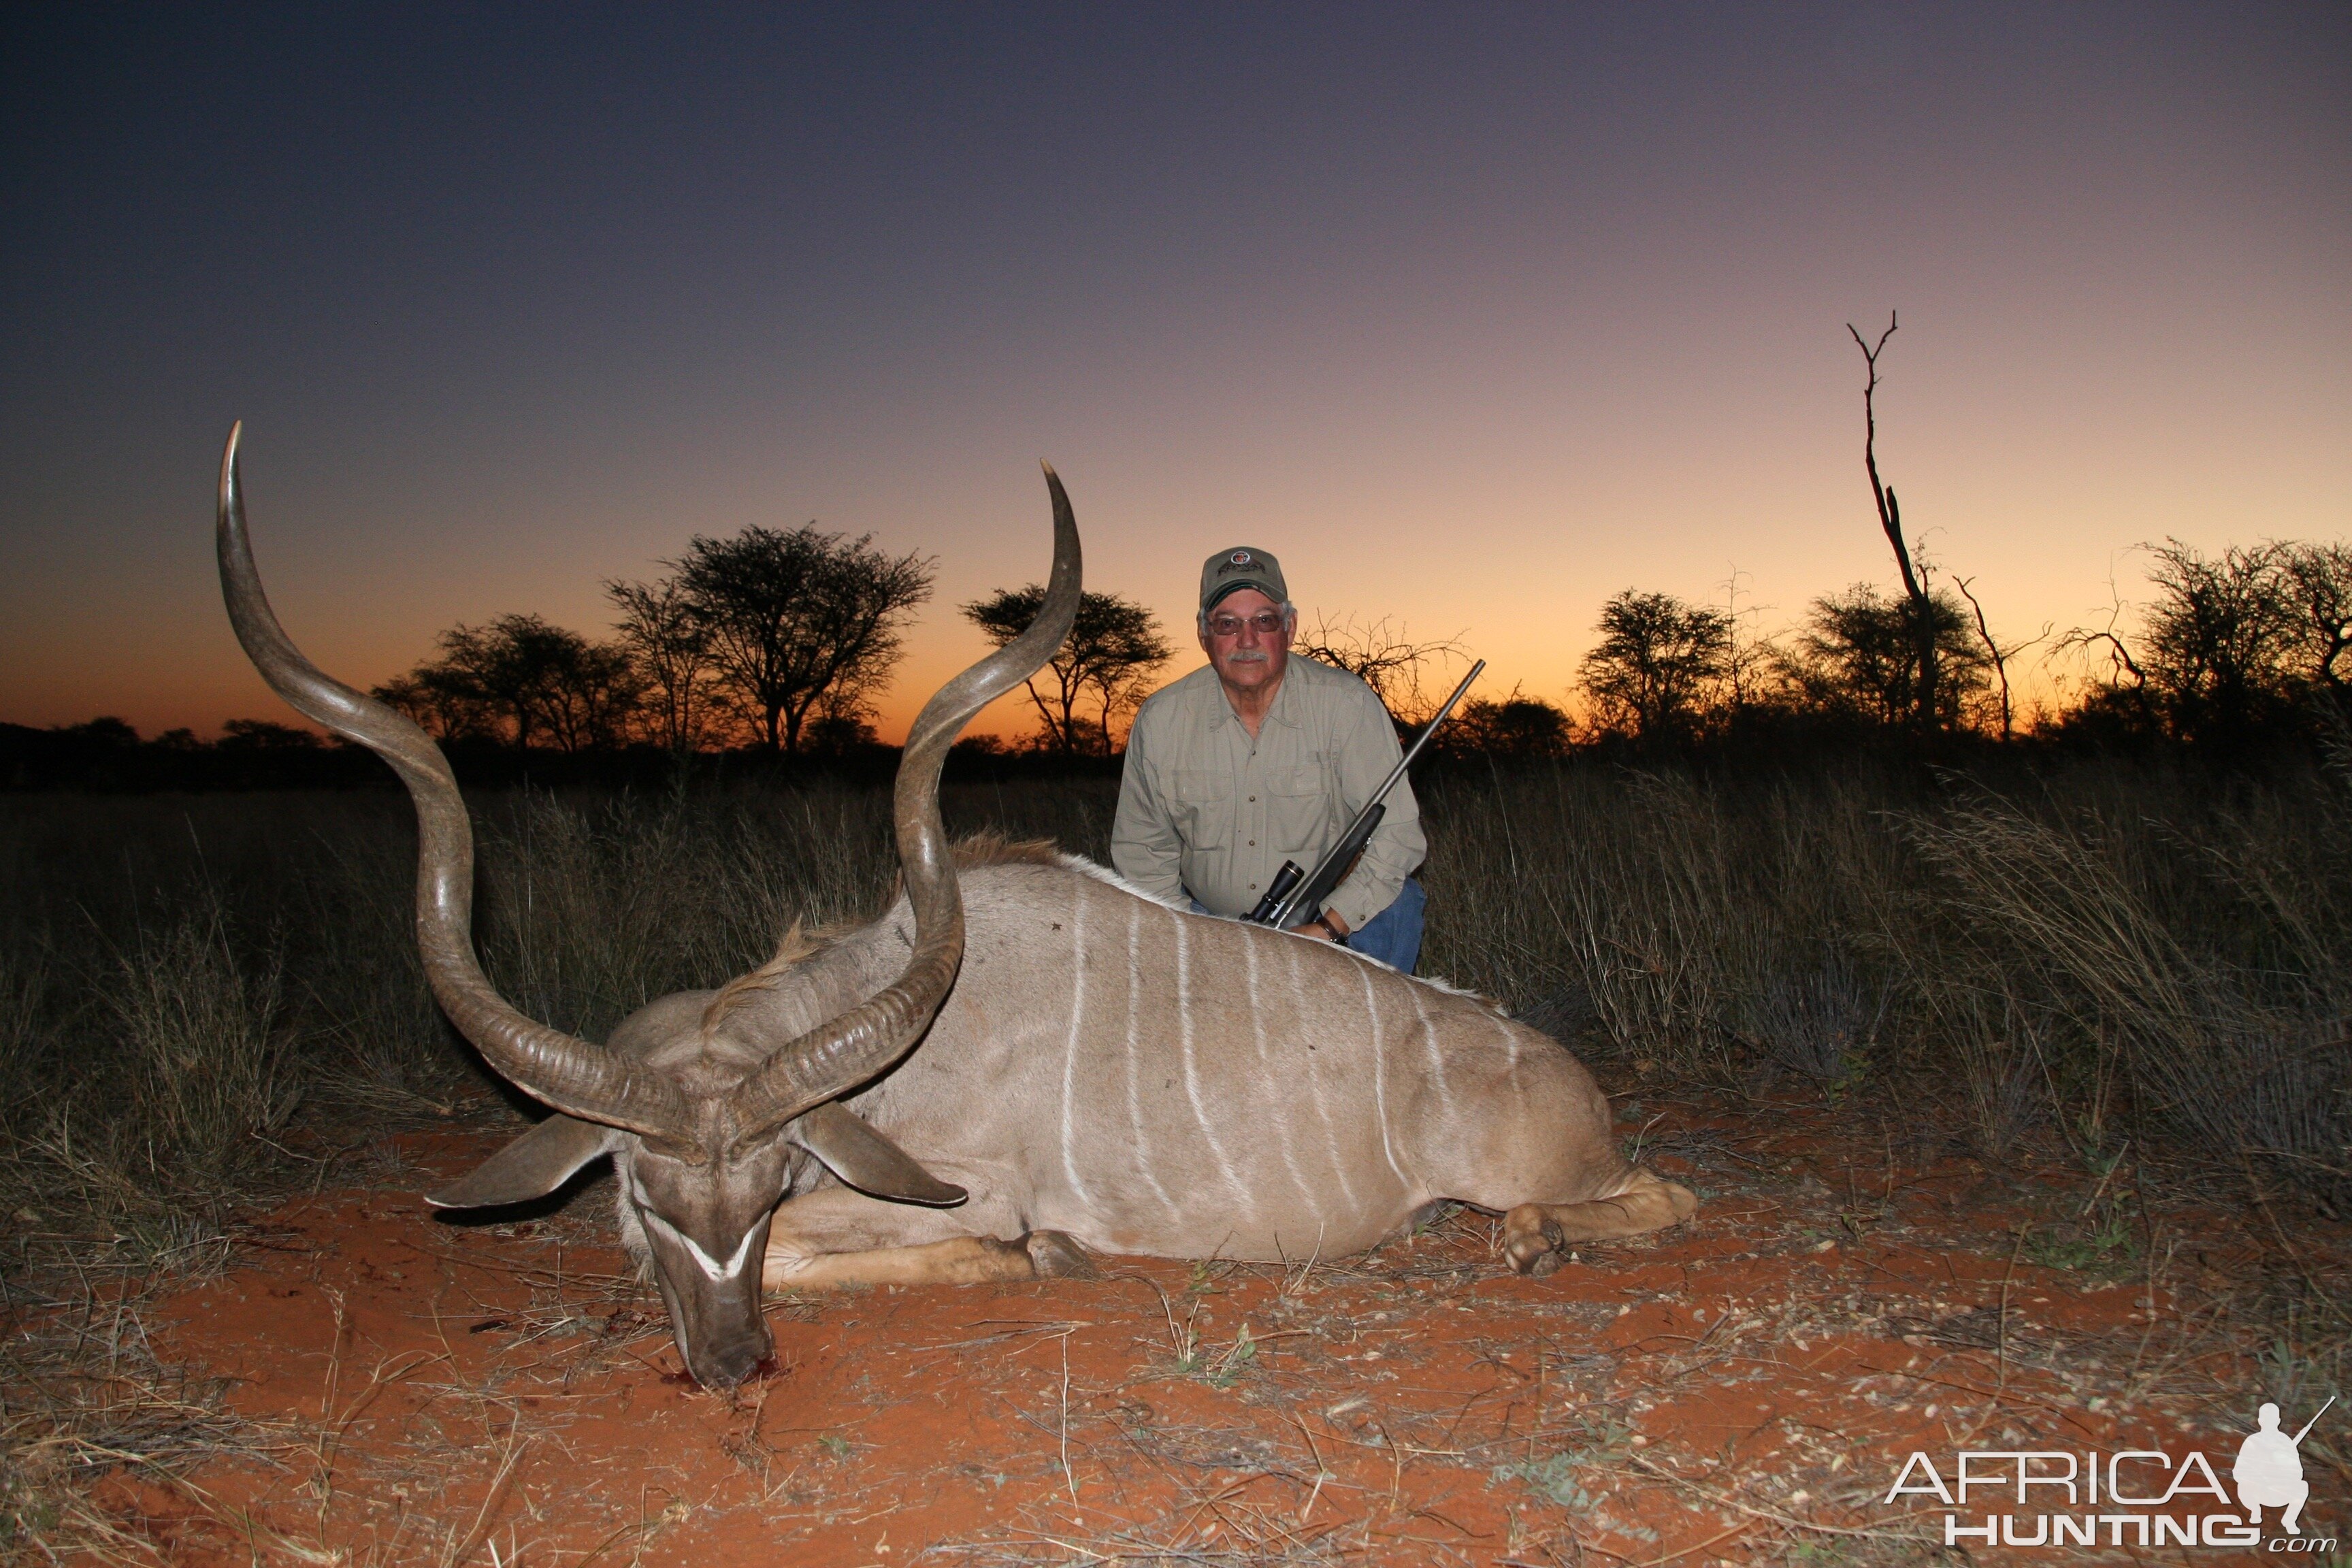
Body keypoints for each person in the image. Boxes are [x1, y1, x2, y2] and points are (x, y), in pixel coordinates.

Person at [1112, 546, 1428, 970]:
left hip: (1323, 919)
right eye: (1228, 624)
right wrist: (1193, 939)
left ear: (1290, 626)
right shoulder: (1161, 719)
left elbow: (1398, 835)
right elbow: (1143, 854)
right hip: (1212, 924)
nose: (1247, 640)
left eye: (1264, 621)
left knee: (1397, 901)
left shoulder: (1346, 704)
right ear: (1204, 634)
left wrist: (1326, 931)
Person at [2234, 1402, 2311, 1534]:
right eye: (2266, 1419)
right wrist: (2257, 1475)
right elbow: (2238, 1472)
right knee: (2242, 1486)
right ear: (2260, 1421)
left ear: (2278, 1421)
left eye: (2272, 1419)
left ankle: (2290, 1520)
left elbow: (2298, 1473)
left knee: (2303, 1486)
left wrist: (2283, 1466)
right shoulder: (2252, 1441)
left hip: (2280, 1491)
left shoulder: (2285, 1442)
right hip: (2257, 1491)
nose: (2269, 1422)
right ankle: (2255, 1511)